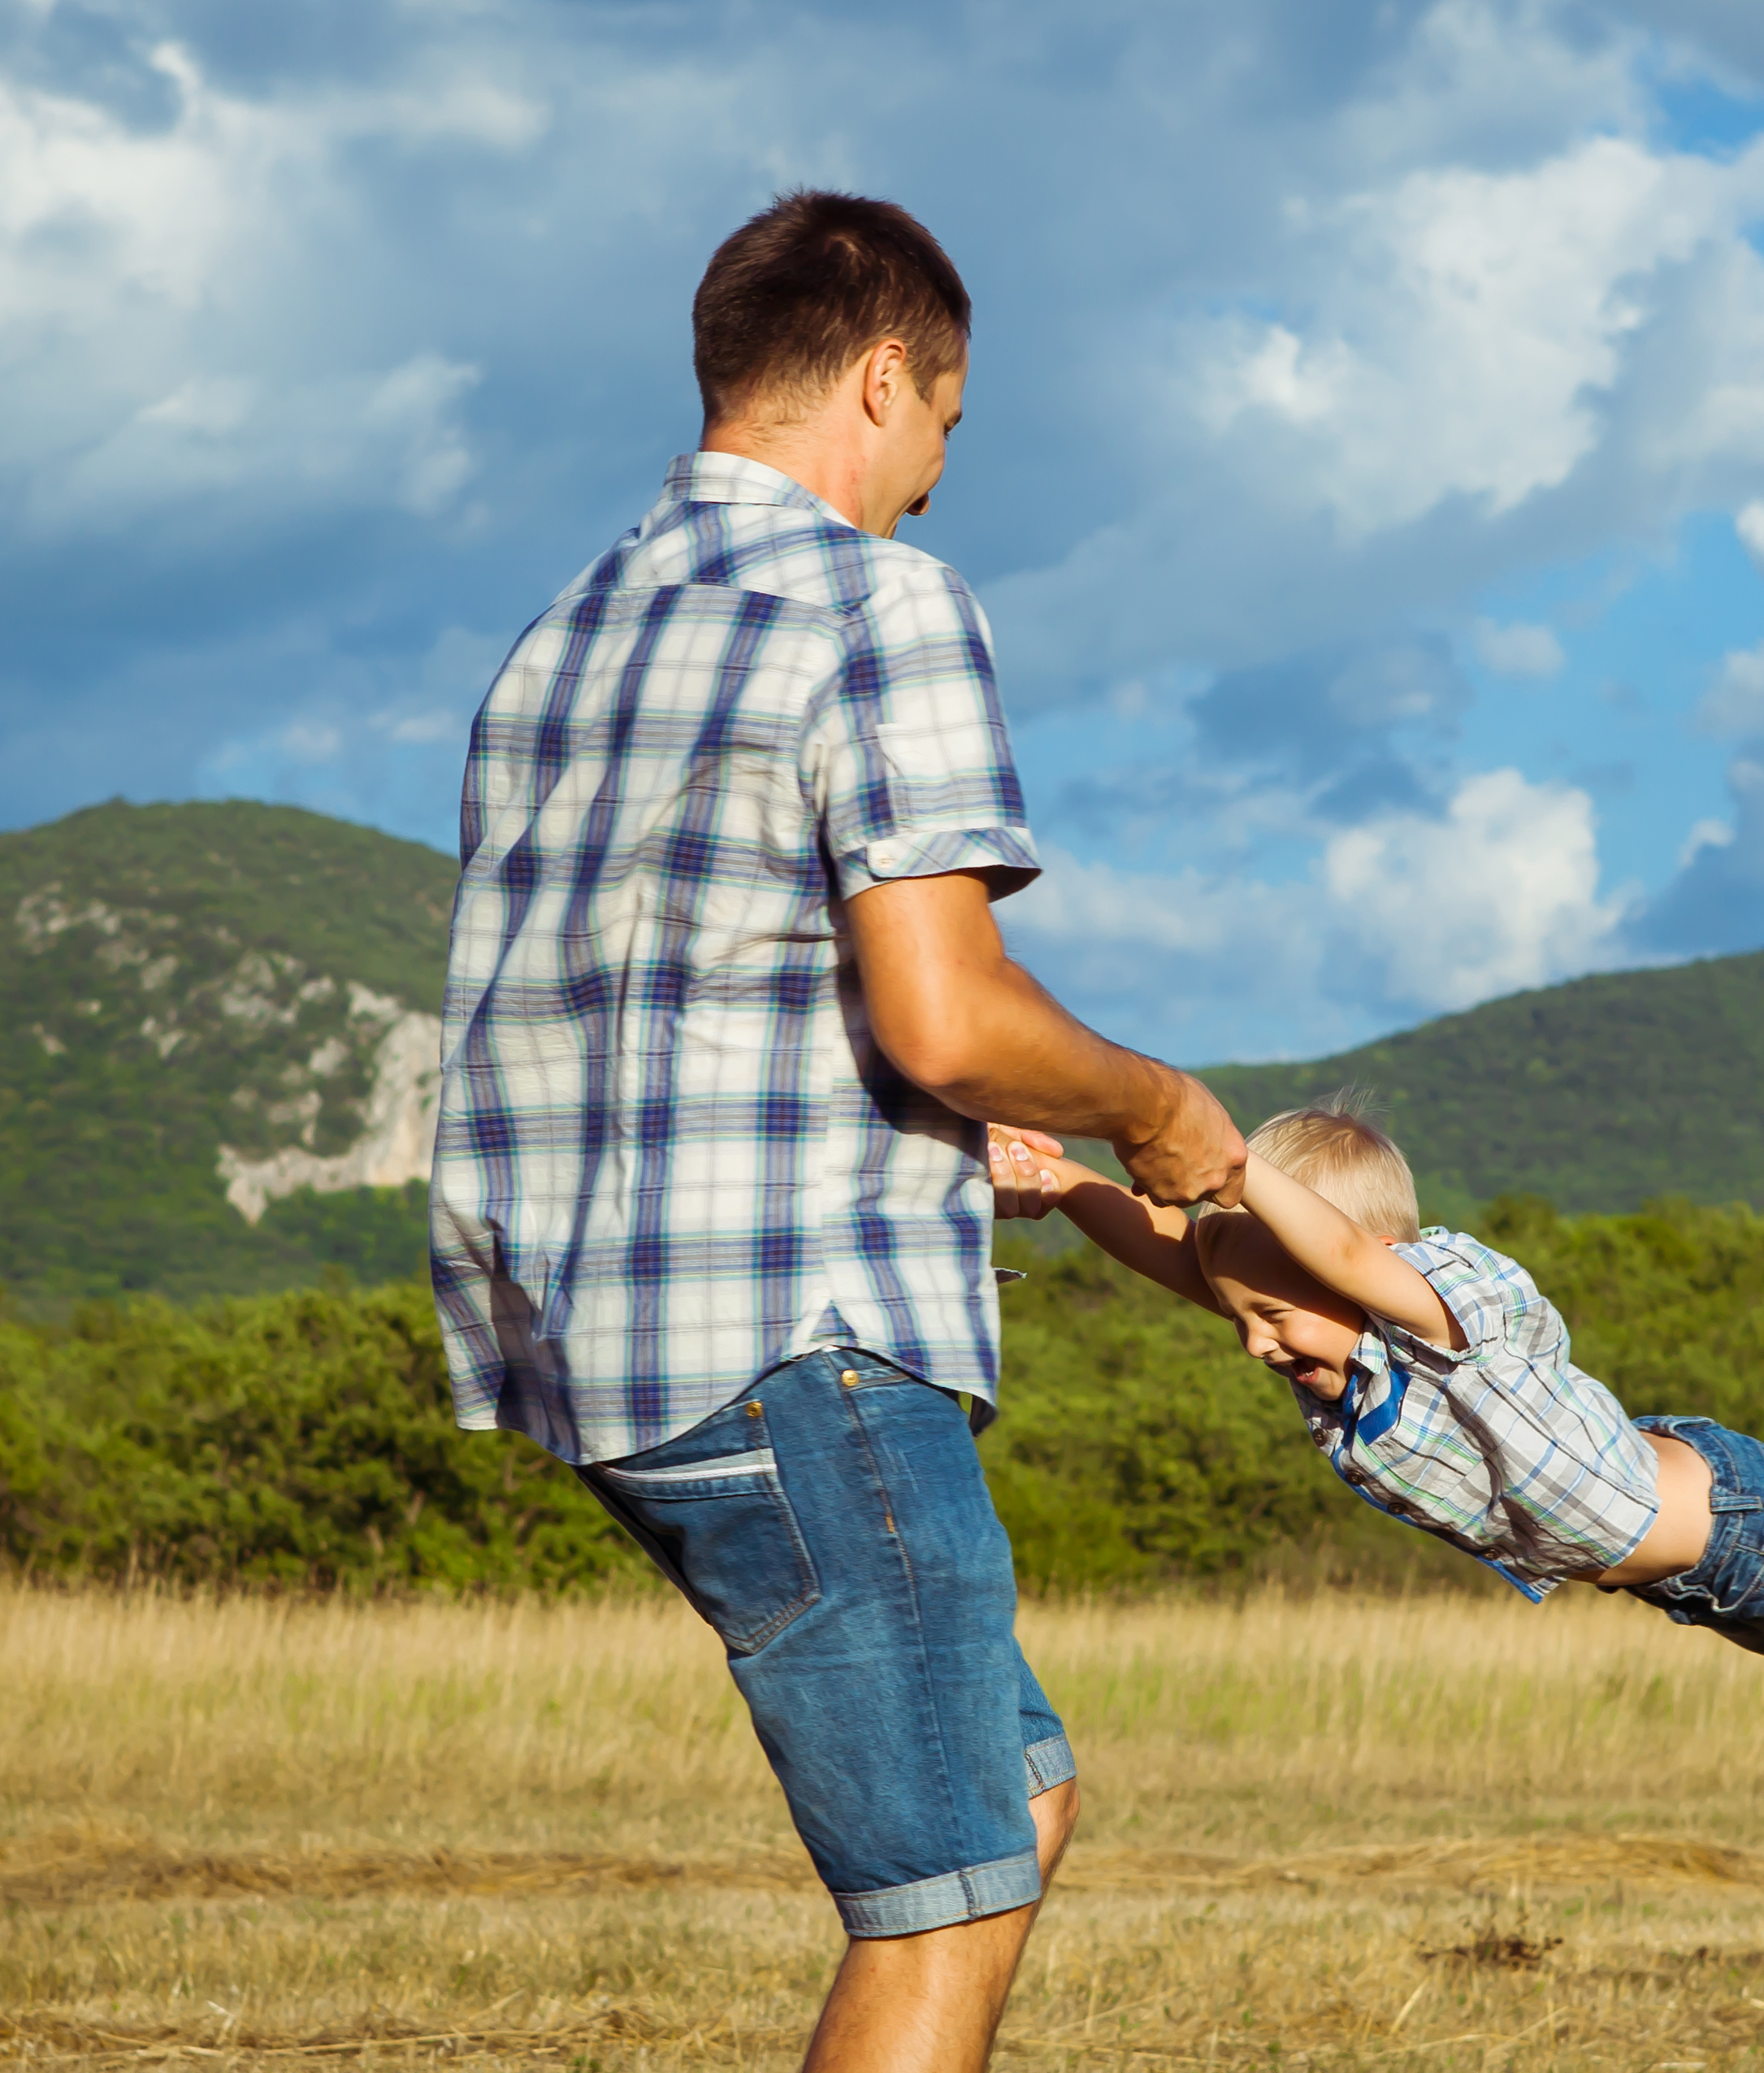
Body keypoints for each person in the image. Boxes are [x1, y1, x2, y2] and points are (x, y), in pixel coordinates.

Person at [430, 190, 1246, 2073]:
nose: (938, 478)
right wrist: (1157, 1109)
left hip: (599, 1353)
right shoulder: (880, 603)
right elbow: (945, 1017)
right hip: (802, 1342)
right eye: (946, 423)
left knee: (1014, 1799)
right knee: (943, 1899)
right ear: (885, 379)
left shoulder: (559, 641)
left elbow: (680, 1000)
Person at [991, 1102, 1764, 1811]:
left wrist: (1227, 1160)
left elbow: (1349, 1263)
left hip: (1749, 1537)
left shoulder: (1441, 1304)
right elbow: (1177, 1257)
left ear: (1340, 1261)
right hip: (1692, 1578)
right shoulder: (1331, 1342)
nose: (1254, 1345)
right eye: (1241, 1319)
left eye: (1272, 1315)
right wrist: (1058, 1182)